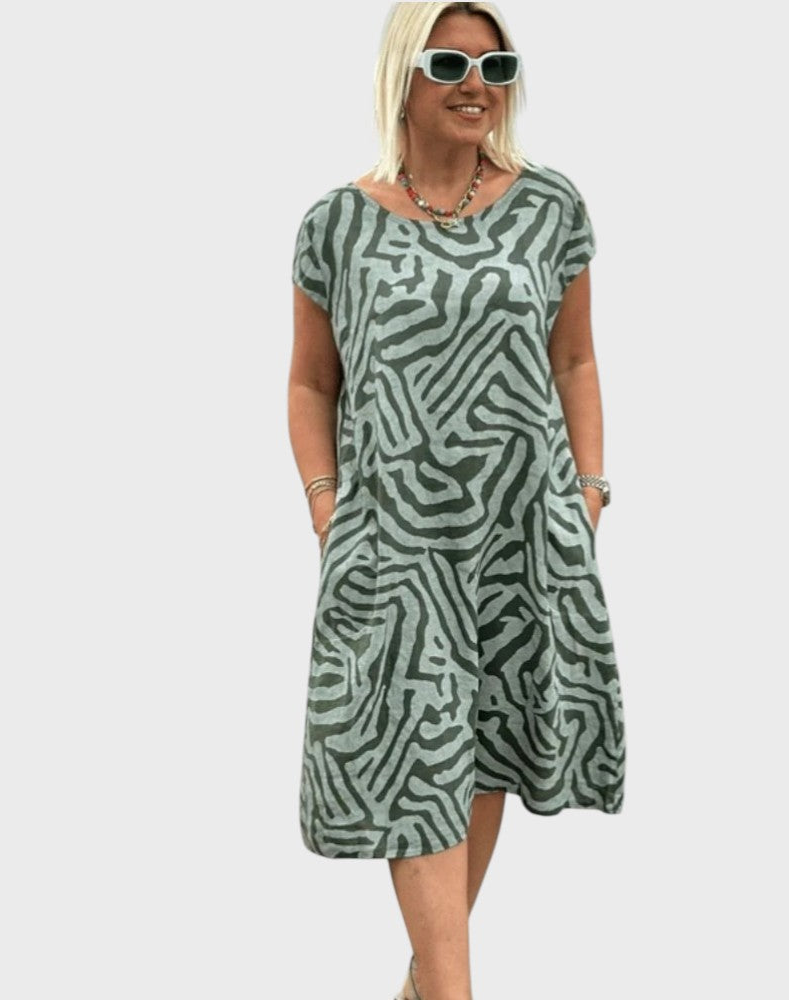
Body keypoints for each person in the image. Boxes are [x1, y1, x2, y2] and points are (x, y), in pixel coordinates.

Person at [287, 4, 626, 998]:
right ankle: (448, 988)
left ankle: (427, 983)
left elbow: (575, 360)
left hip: (522, 527)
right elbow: (311, 383)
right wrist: (325, 504)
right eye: (450, 63)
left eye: (495, 66)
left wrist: (588, 491)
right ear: (403, 75)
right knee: (411, 745)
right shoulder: (336, 224)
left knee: (484, 742)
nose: (477, 84)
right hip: (393, 537)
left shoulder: (549, 207)